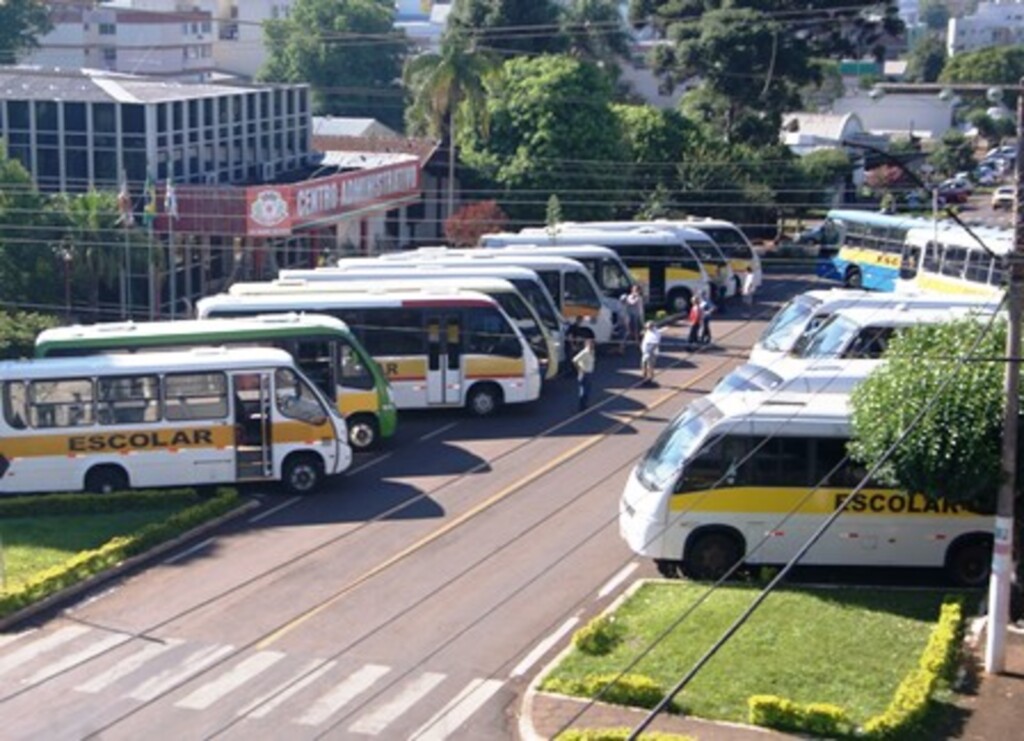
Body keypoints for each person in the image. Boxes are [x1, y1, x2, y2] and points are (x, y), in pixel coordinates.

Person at [573, 337, 596, 411]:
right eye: (590, 344)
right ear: (586, 345)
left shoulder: (592, 352)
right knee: (583, 390)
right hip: (584, 373)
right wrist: (580, 369)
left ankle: (585, 404)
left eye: (592, 344)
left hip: (590, 373)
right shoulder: (584, 353)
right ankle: (581, 406)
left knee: (588, 390)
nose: (592, 346)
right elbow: (575, 360)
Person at [640, 321, 661, 385]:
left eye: (648, 327)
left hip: (650, 353)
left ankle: (649, 379)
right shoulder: (649, 331)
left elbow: (655, 344)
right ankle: (645, 378)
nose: (646, 328)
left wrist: (649, 353)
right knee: (644, 364)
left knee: (649, 366)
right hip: (646, 352)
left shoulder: (655, 333)